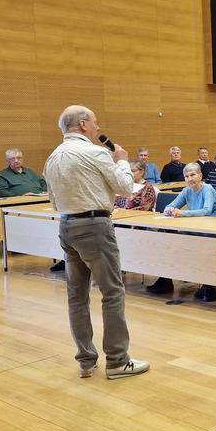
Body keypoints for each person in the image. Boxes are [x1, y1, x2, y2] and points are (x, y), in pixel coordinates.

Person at [44, 105, 148, 380]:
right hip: (95, 226)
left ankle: (86, 360)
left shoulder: (52, 157)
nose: (98, 127)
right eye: (95, 122)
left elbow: (53, 199)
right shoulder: (96, 152)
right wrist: (122, 161)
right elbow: (126, 187)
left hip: (66, 225)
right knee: (112, 292)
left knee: (76, 296)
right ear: (82, 124)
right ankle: (117, 361)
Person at [147, 163, 216, 295]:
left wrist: (182, 213)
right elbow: (170, 206)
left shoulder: (207, 189)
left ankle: (208, 283)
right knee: (171, 242)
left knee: (191, 244)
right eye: (186, 176)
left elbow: (206, 210)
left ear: (200, 176)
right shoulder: (186, 190)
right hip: (194, 227)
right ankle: (165, 280)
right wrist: (169, 210)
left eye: (193, 175)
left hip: (212, 229)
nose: (189, 179)